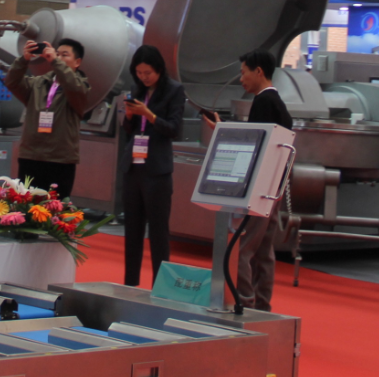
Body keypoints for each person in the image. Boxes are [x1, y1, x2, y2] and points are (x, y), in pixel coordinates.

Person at [202, 49, 291, 312]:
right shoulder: (277, 102)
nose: (241, 79)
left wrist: (223, 131)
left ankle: (245, 301)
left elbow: (254, 144)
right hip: (274, 186)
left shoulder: (263, 102)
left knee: (243, 248)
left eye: (243, 73)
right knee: (264, 250)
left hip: (260, 188)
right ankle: (262, 304)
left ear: (258, 71)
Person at [120, 44, 186, 287]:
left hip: (157, 170)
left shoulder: (174, 90)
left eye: (147, 73)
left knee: (158, 232)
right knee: (132, 230)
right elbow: (129, 132)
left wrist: (148, 114)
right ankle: (130, 284)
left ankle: (161, 285)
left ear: (159, 69)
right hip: (133, 167)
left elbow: (174, 129)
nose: (143, 77)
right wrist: (129, 117)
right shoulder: (136, 89)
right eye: (139, 73)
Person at [5, 36, 90, 197]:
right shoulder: (38, 83)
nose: (58, 57)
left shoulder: (81, 87)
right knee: (26, 206)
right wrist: (23, 60)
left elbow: (73, 86)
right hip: (31, 156)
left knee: (55, 208)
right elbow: (12, 82)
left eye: (64, 55)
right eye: (57, 54)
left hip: (60, 159)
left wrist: (55, 61)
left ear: (77, 62)